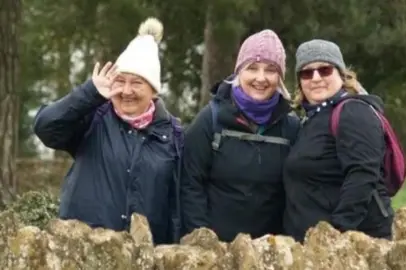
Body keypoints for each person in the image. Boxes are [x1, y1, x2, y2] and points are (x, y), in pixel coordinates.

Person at [33, 18, 183, 245]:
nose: (126, 91)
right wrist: (89, 93)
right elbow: (46, 127)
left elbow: (177, 204)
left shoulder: (173, 135)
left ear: (153, 90)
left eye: (137, 83)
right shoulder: (95, 117)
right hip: (83, 250)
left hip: (142, 257)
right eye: (120, 81)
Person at [181, 29, 300, 242]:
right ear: (238, 72)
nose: (260, 78)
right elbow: (190, 184)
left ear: (280, 77)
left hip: (270, 253)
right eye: (252, 68)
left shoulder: (291, 127)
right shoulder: (210, 119)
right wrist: (202, 241)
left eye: (271, 70)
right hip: (216, 251)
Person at [283, 39, 394, 242]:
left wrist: (336, 234)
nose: (315, 78)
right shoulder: (311, 118)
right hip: (311, 247)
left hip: (350, 246)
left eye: (324, 70)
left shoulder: (353, 112)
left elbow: (362, 175)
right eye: (307, 73)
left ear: (341, 75)